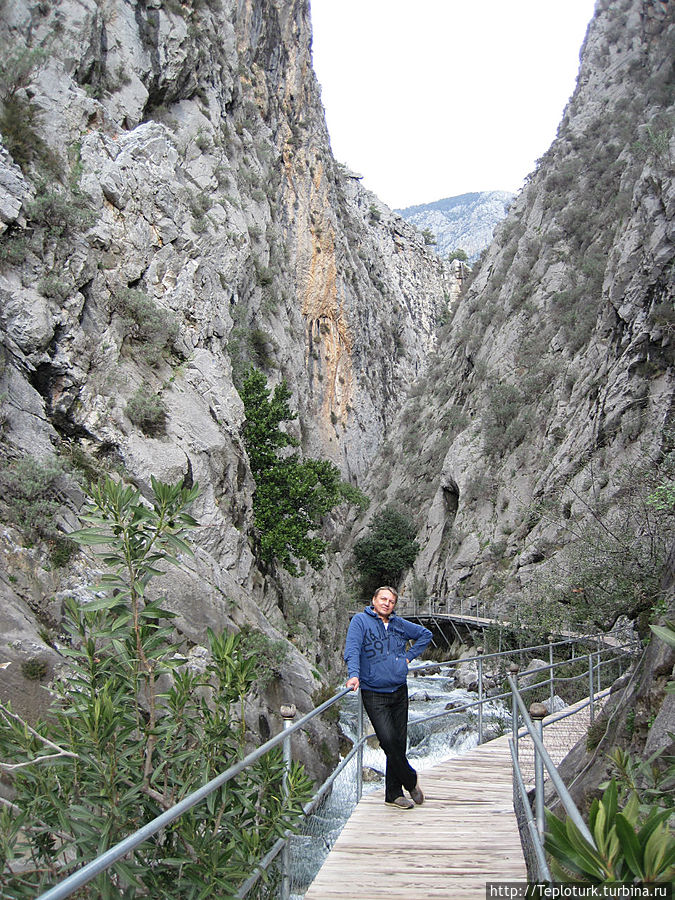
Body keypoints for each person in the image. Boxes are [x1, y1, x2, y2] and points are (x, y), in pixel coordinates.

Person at [344, 585, 433, 809]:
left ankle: (393, 795)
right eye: (383, 599)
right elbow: (352, 649)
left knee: (399, 744)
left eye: (391, 601)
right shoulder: (360, 622)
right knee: (388, 741)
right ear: (373, 600)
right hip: (374, 692)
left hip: (399, 691)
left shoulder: (399, 624)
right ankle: (410, 780)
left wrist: (409, 657)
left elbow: (425, 634)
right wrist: (354, 675)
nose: (387, 603)